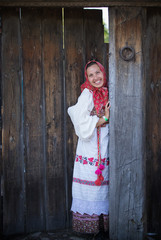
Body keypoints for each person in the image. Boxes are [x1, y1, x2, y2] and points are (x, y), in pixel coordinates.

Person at [68, 60, 110, 239]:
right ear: (87, 78)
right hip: (90, 145)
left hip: (106, 143)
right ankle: (92, 228)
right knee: (92, 181)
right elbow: (77, 116)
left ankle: (104, 226)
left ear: (103, 72)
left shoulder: (109, 91)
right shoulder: (87, 93)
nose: (95, 78)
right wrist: (103, 119)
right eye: (91, 75)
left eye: (97, 73)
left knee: (105, 183)